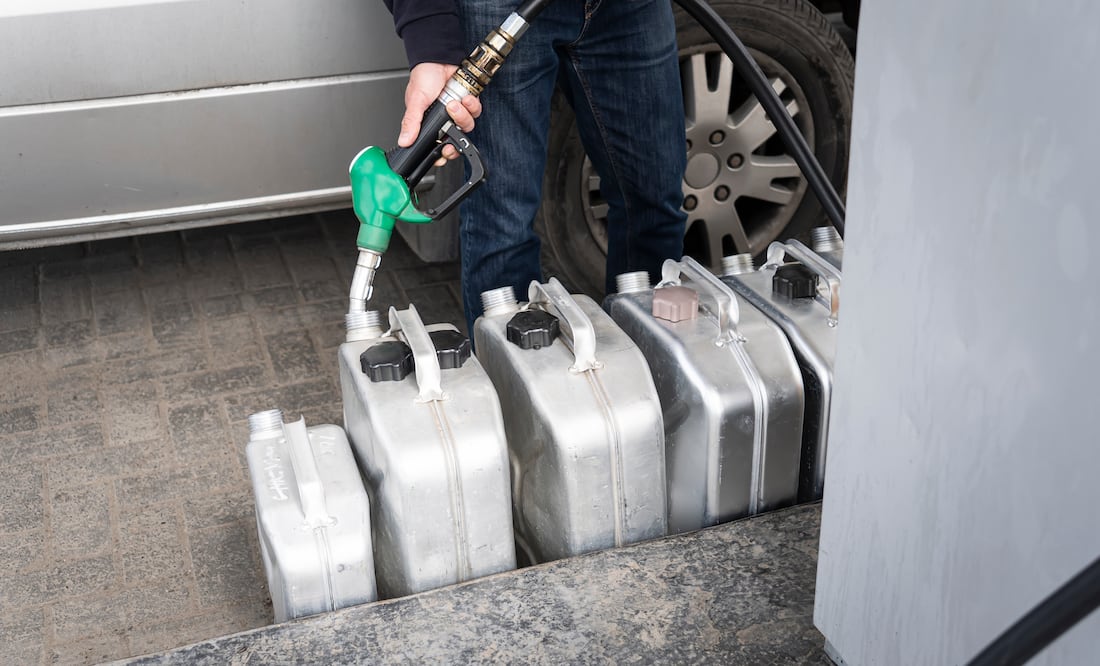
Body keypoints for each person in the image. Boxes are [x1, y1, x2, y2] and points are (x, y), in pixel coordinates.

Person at [383, 0, 687, 333]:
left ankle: (656, 355)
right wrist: (429, 36)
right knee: (503, 230)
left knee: (653, 206)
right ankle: (518, 362)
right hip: (496, 7)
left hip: (631, 8)